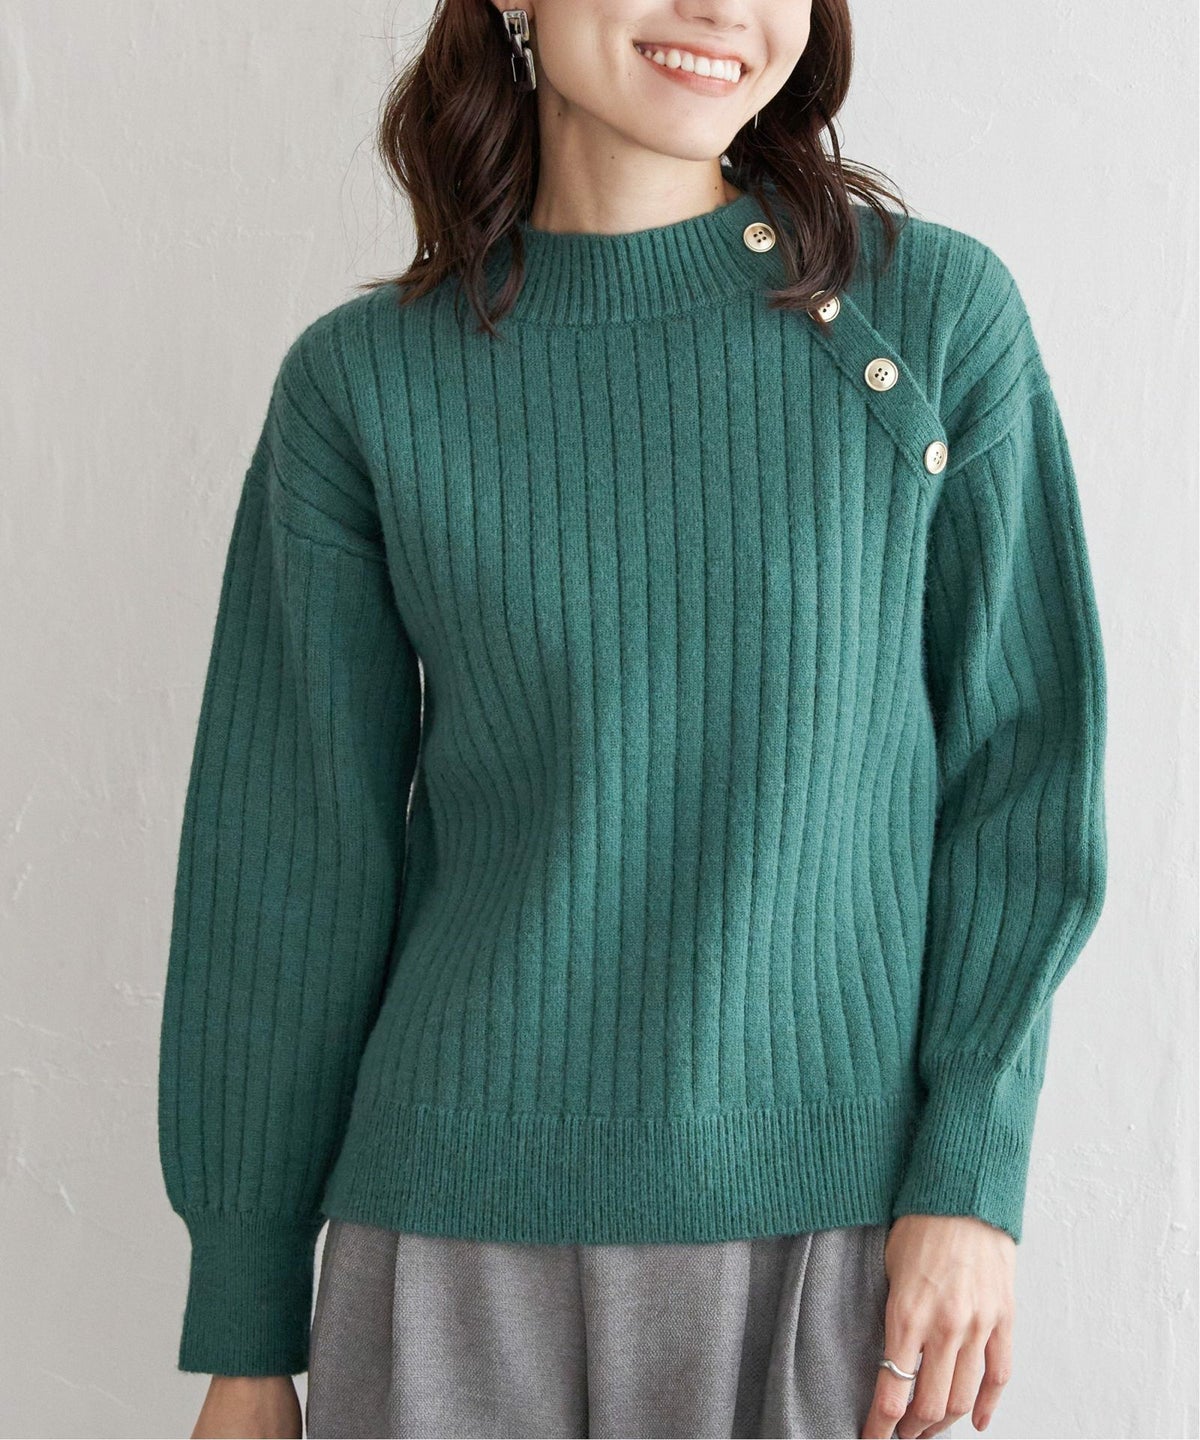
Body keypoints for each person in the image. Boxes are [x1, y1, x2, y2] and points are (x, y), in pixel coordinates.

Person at [156, 2, 1108, 1438]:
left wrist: (971, 1178)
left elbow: (1022, 780)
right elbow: (286, 863)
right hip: (446, 1251)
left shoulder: (929, 323)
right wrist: (245, 1334)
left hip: (829, 1243)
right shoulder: (362, 386)